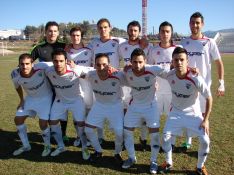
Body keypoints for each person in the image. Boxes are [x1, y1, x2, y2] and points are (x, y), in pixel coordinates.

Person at [160, 47, 212, 175]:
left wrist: (205, 120)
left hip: (193, 114)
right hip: (176, 112)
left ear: (187, 61)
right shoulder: (169, 74)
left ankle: (200, 166)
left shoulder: (195, 78)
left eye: (182, 60)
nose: (179, 63)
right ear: (172, 61)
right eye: (176, 60)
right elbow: (150, 69)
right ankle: (168, 162)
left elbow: (209, 98)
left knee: (205, 140)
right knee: (165, 138)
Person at [180, 12, 225, 149]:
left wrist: (221, 83)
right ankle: (188, 141)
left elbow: (219, 63)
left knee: (204, 115)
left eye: (197, 23)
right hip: (187, 85)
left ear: (202, 24)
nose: (195, 25)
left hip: (204, 85)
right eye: (192, 22)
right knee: (188, 113)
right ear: (189, 24)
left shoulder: (209, 42)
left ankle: (205, 143)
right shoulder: (184, 42)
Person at [122, 48, 167, 174]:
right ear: (130, 62)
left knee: (154, 135)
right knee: (127, 132)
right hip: (134, 106)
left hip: (151, 106)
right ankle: (131, 158)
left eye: (140, 62)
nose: (138, 65)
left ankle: (153, 161)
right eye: (135, 62)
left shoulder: (153, 70)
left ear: (145, 61)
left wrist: (190, 70)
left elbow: (173, 69)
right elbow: (113, 72)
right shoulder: (127, 71)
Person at [45, 49, 91, 159]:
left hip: (76, 100)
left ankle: (84, 147)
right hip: (60, 100)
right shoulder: (48, 71)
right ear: (52, 61)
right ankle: (61, 146)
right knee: (52, 121)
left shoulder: (75, 70)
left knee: (80, 123)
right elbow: (34, 66)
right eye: (55, 61)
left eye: (61, 61)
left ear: (66, 61)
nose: (58, 64)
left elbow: (91, 72)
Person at [87, 18, 126, 145]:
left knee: (121, 107)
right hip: (99, 79)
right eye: (100, 27)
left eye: (105, 27)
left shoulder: (118, 41)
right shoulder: (93, 43)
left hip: (115, 80)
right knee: (98, 107)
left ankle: (121, 138)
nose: (103, 30)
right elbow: (83, 52)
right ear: (97, 29)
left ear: (110, 28)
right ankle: (100, 136)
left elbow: (131, 47)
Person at [30, 21, 69, 144]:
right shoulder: (38, 48)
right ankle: (51, 132)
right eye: (50, 31)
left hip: (62, 85)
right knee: (48, 110)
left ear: (58, 32)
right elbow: (28, 63)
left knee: (63, 110)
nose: (52, 33)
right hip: (46, 87)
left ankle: (63, 134)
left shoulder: (64, 46)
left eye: (55, 31)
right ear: (45, 32)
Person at [84, 53, 125, 164]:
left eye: (104, 64)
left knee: (119, 132)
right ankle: (98, 151)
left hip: (115, 106)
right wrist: (71, 65)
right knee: (88, 130)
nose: (101, 67)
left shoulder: (118, 75)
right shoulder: (91, 74)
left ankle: (117, 153)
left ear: (109, 65)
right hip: (99, 105)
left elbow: (133, 81)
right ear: (94, 65)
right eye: (98, 64)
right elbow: (77, 71)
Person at [118, 20, 152, 151]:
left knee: (144, 113)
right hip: (126, 84)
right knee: (126, 113)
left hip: (143, 85)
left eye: (135, 30)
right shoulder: (121, 46)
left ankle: (143, 139)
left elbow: (152, 64)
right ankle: (126, 140)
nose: (133, 33)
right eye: (130, 30)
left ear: (139, 32)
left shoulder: (147, 46)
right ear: (127, 31)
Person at [11, 53, 53, 157]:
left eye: (27, 63)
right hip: (30, 98)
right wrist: (21, 100)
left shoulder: (42, 66)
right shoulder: (15, 74)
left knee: (43, 123)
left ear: (32, 64)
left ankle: (47, 146)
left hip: (46, 98)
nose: (24, 66)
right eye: (22, 64)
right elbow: (17, 87)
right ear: (18, 64)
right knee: (18, 119)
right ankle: (26, 145)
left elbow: (57, 63)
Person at [148, 21, 179, 150]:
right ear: (159, 33)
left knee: (171, 118)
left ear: (171, 33)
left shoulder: (177, 50)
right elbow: (149, 69)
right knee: (155, 118)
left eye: (167, 31)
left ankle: (170, 143)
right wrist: (152, 82)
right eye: (162, 31)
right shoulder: (153, 50)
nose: (165, 34)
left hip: (173, 91)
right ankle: (154, 142)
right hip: (157, 91)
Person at [66, 26, 93, 147]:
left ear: (81, 36)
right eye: (73, 35)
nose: (75, 38)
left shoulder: (89, 50)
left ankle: (88, 137)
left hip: (87, 85)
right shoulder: (67, 51)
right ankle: (78, 136)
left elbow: (93, 68)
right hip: (74, 86)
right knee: (77, 113)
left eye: (78, 35)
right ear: (70, 37)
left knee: (88, 113)